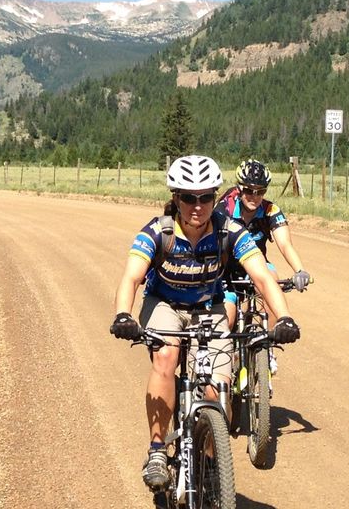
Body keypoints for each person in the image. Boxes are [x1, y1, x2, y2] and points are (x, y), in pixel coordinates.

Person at [110, 155, 301, 490]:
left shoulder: (230, 231)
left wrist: (284, 317)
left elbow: (262, 277)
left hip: (208, 307)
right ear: (175, 198)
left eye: (205, 197)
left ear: (215, 198)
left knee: (216, 390)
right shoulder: (157, 232)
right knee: (167, 357)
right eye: (188, 197)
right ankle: (157, 449)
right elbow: (131, 277)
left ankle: (212, 461)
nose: (197, 206)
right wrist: (123, 314)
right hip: (164, 304)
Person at [215, 159, 310, 373]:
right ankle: (223, 362)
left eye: (260, 191)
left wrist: (299, 270)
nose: (254, 197)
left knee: (272, 283)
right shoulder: (224, 208)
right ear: (240, 188)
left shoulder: (269, 210)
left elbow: (285, 243)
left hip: (257, 266)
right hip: (227, 270)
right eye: (249, 190)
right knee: (227, 319)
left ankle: (267, 349)